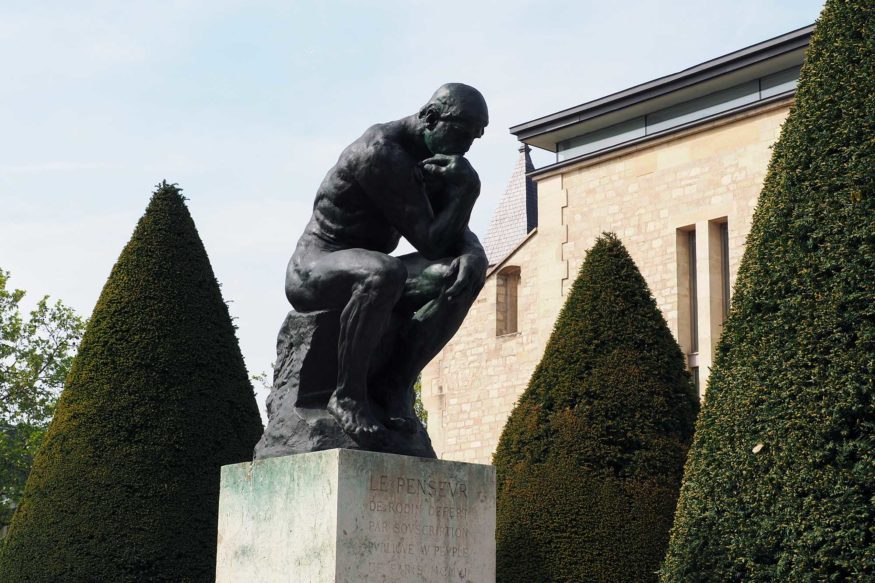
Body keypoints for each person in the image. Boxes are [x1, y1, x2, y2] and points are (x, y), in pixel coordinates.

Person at [285, 83, 489, 451]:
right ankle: (346, 397)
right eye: (461, 133)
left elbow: (453, 234)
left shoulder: (435, 156)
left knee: (460, 274)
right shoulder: (379, 152)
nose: (466, 148)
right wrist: (467, 190)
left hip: (375, 270)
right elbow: (430, 239)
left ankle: (393, 386)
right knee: (383, 273)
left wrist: (474, 254)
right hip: (315, 268)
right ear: (431, 118)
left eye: (474, 138)